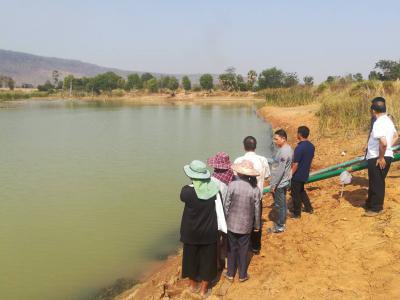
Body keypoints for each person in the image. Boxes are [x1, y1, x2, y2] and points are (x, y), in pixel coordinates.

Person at [180, 160, 219, 296]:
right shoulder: (213, 189)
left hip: (191, 231)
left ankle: (192, 286)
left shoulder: (186, 192)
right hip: (209, 231)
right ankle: (204, 290)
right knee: (208, 260)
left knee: (190, 258)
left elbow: (184, 197)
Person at [224, 160, 261, 282]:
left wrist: (224, 221)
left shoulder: (232, 185)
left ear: (239, 173)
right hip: (246, 225)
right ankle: (242, 275)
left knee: (231, 249)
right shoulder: (255, 189)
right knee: (244, 250)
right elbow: (257, 210)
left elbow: (226, 205)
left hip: (231, 224)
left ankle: (230, 273)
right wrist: (257, 225)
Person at [234, 136, 270, 254]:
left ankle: (242, 245)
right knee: (256, 221)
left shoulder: (238, 161)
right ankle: (256, 247)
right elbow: (267, 176)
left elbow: (234, 179)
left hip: (241, 197)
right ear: (255, 146)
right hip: (257, 196)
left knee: (241, 221)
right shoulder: (263, 160)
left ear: (244, 146)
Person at [365, 101, 397, 216]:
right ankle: (370, 204)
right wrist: (388, 148)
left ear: (373, 111)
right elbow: (396, 136)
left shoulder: (378, 123)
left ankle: (376, 208)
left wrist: (381, 156)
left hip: (377, 157)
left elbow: (382, 142)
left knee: (377, 182)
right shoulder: (388, 121)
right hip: (385, 154)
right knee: (375, 181)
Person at [207, 152, 234, 271]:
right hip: (229, 213)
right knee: (227, 237)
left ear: (215, 166)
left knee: (217, 239)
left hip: (217, 215)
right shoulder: (232, 177)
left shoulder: (212, 180)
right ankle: (227, 261)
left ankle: (218, 263)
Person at [269, 129, 293, 233]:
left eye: (276, 139)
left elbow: (280, 170)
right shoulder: (287, 148)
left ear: (283, 139)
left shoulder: (284, 152)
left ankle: (280, 226)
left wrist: (273, 185)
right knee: (281, 204)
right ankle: (281, 221)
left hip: (280, 183)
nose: (274, 141)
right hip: (284, 181)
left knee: (280, 205)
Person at [291, 126, 315, 218]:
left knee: (295, 194)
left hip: (297, 174)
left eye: (297, 133)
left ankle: (297, 214)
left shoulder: (299, 148)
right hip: (305, 173)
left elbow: (296, 164)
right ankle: (309, 208)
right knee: (301, 191)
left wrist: (290, 174)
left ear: (299, 135)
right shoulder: (311, 146)